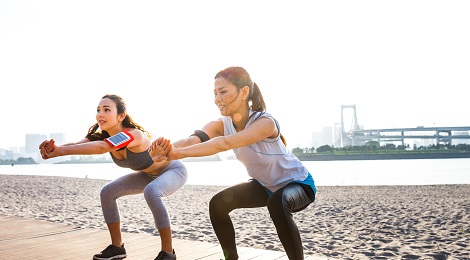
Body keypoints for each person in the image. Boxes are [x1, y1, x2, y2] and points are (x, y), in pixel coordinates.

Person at [149, 66, 316, 260]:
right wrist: (162, 151)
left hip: (299, 185)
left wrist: (176, 154)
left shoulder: (265, 122)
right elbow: (191, 140)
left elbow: (225, 143)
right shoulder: (221, 124)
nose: (217, 98)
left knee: (277, 203)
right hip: (265, 186)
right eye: (215, 93)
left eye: (223, 92)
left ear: (244, 92)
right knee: (218, 204)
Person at [39, 94, 187, 260]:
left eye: (106, 110)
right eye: (98, 110)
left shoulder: (134, 134)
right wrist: (53, 150)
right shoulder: (103, 136)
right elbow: (76, 145)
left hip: (172, 171)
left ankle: (168, 253)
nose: (100, 114)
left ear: (121, 116)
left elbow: (103, 147)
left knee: (151, 192)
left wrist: (59, 151)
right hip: (147, 175)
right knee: (107, 192)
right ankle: (117, 248)